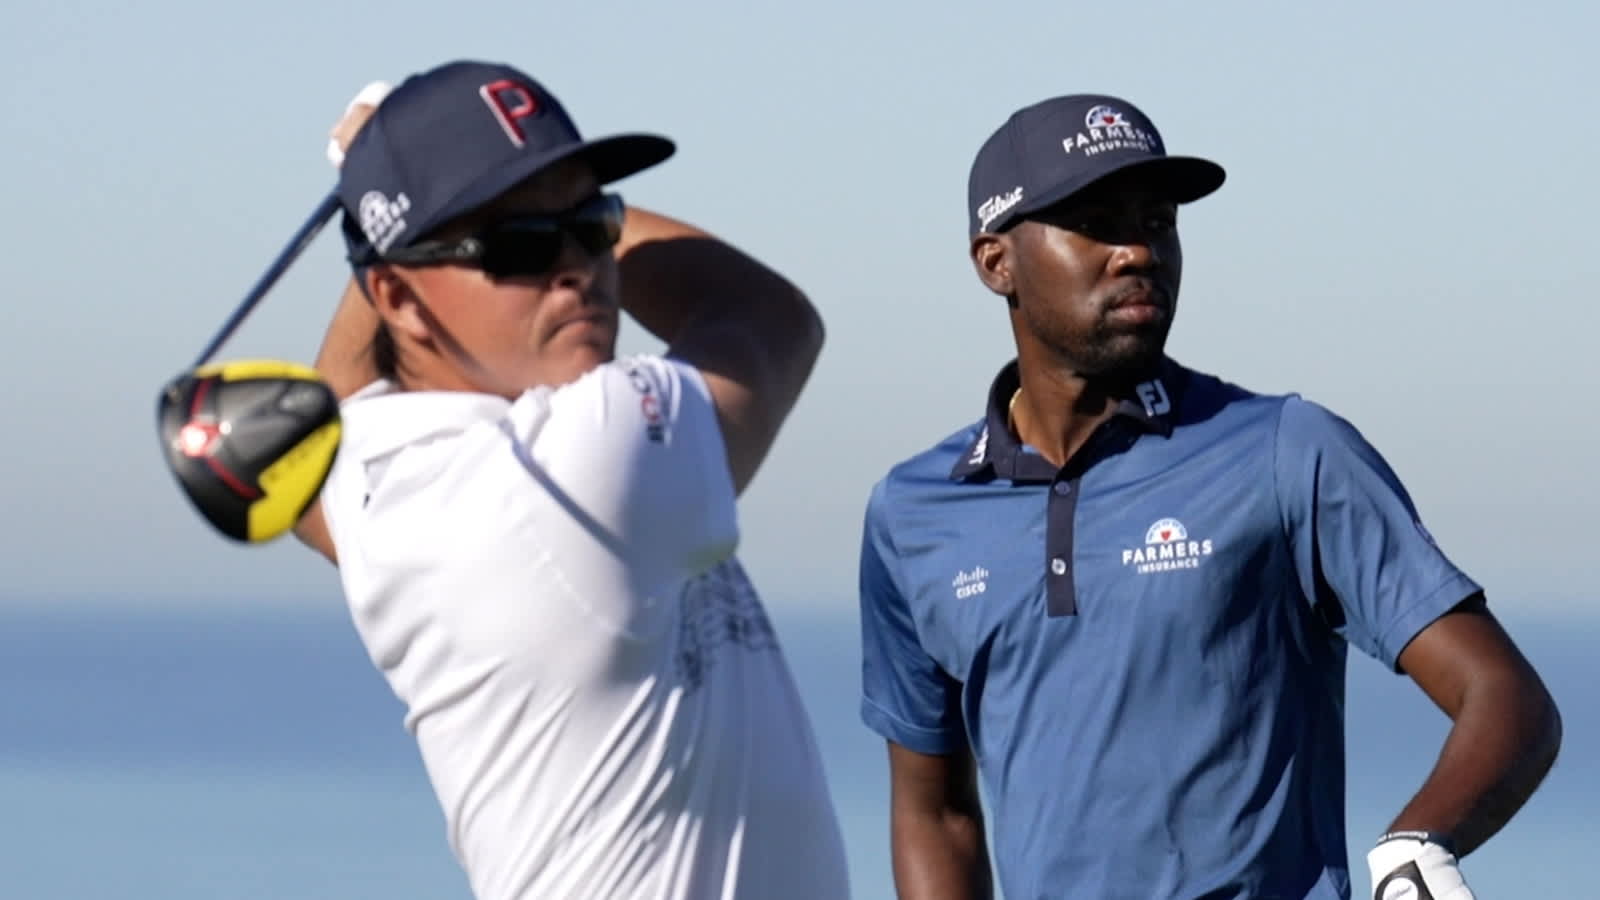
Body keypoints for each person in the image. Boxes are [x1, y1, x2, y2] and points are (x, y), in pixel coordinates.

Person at [856, 93, 1562, 900]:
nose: (1138, 253)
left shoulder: (1287, 451)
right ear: (996, 262)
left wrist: (1416, 844)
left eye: (1157, 221)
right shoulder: (912, 513)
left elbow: (1506, 697)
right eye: (1097, 224)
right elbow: (935, 813)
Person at [290, 60, 851, 900]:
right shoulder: (586, 464)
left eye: (596, 225)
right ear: (399, 301)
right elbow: (768, 318)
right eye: (519, 245)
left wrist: (382, 189)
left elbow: (326, 430)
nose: (579, 269)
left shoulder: (383, 469)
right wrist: (382, 178)